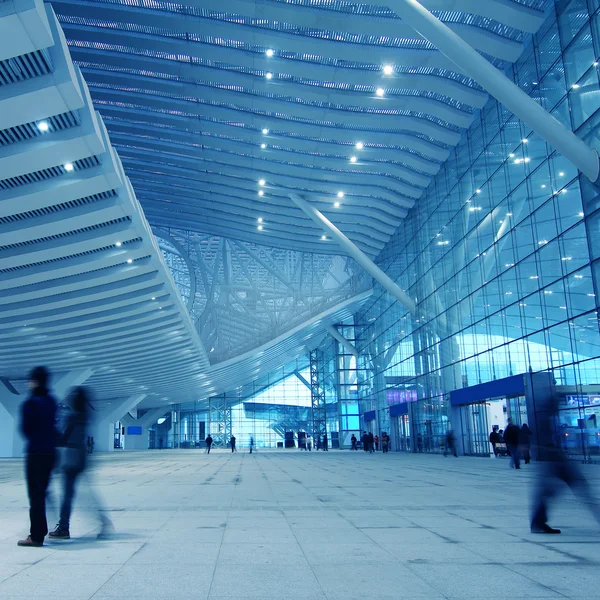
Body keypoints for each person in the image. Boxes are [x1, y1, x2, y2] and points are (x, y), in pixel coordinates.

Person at [49, 387, 113, 540]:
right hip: (81, 459)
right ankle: (102, 521)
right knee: (83, 495)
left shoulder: (73, 418)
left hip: (71, 460)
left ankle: (64, 528)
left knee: (68, 496)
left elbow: (64, 438)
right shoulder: (85, 416)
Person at [531, 394, 600, 534]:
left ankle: (537, 523)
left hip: (556, 461)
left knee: (549, 492)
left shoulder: (548, 419)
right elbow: (544, 441)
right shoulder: (544, 420)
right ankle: (537, 522)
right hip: (554, 462)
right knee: (579, 488)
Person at [18, 367, 58, 548]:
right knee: (41, 493)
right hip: (50, 453)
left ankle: (36, 537)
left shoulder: (30, 404)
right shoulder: (52, 401)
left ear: (34, 381)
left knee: (35, 495)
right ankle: (40, 530)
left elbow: (25, 430)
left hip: (35, 453)